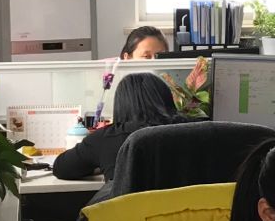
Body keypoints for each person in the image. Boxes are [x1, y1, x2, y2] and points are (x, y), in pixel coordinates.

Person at [51, 71, 180, 181]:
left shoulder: (107, 137)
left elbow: (61, 168)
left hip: (130, 204)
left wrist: (98, 163)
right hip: (186, 203)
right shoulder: (190, 128)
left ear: (121, 105)